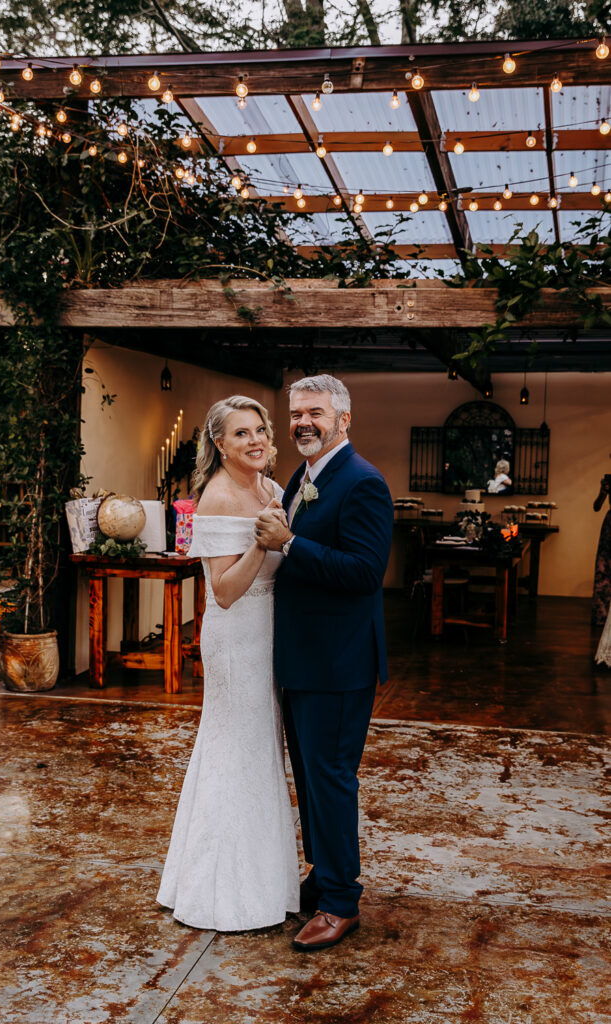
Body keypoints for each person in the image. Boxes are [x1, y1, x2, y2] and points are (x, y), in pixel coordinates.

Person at [255, 375, 393, 952]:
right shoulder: (302, 477)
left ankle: (341, 902)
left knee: (331, 781)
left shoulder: (363, 482)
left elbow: (365, 572)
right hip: (302, 658)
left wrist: (288, 544)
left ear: (344, 421)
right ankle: (322, 875)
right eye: (295, 414)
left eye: (315, 412)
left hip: (338, 663)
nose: (303, 423)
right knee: (310, 781)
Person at [157, 396, 299, 931]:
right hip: (236, 638)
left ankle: (266, 878)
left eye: (260, 429)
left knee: (261, 749)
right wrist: (263, 546)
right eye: (241, 434)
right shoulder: (216, 497)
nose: (256, 440)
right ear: (218, 444)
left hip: (270, 635)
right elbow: (222, 591)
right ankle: (220, 890)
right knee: (235, 747)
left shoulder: (271, 487)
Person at [592, 469, 611, 626]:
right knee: (603, 569)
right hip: (610, 525)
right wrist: (603, 492)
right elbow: (597, 506)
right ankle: (601, 615)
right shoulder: (608, 482)